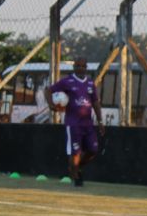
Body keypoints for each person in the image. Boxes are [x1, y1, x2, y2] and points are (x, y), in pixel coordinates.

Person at [44, 57, 104, 187]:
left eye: (83, 66)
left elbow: (95, 103)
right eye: (78, 66)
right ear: (74, 67)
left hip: (88, 124)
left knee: (93, 149)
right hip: (73, 124)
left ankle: (76, 168)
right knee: (75, 153)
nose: (80, 68)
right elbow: (48, 90)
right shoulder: (67, 81)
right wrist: (51, 105)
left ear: (86, 68)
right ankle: (77, 179)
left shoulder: (90, 83)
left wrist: (100, 121)